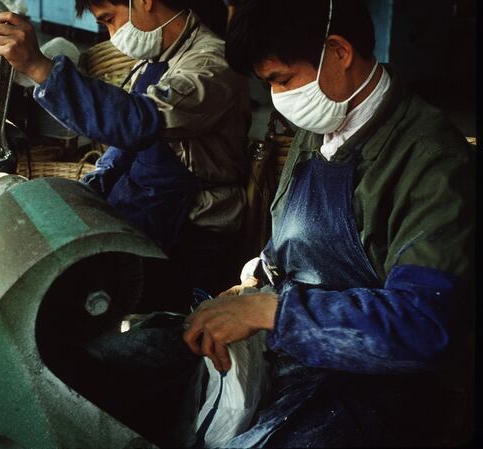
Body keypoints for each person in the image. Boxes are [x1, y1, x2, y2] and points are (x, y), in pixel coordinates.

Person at [183, 0, 474, 446]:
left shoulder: (431, 160)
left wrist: (271, 312)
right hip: (298, 355)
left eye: (282, 80)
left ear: (338, 51)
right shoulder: (322, 123)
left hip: (381, 389)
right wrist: (257, 280)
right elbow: (298, 237)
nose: (277, 98)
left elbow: (424, 326)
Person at [0, 0, 252, 312]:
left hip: (192, 238)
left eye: (110, 19)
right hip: (148, 214)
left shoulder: (212, 63)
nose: (112, 34)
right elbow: (123, 147)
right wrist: (85, 195)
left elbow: (137, 121)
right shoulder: (154, 61)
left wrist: (40, 68)